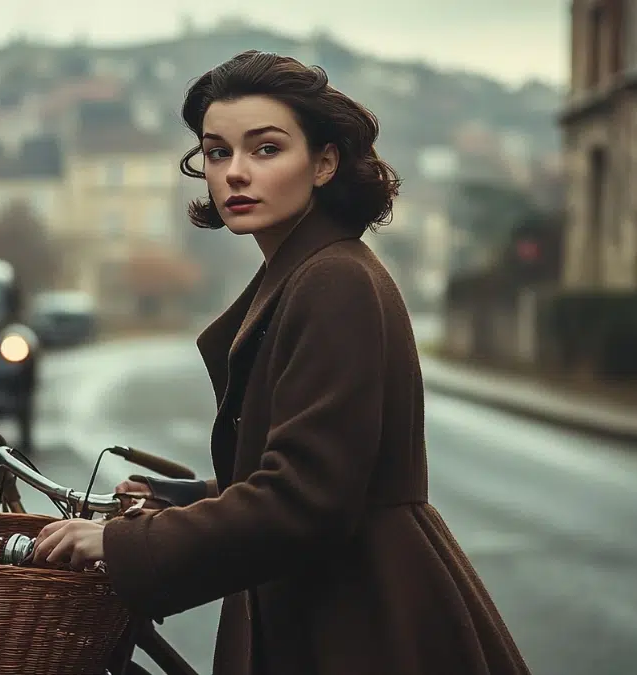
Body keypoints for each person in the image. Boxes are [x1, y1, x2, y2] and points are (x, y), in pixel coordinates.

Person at [33, 50, 532, 675]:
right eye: (218, 152)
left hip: (361, 622)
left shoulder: (335, 281)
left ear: (323, 163)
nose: (236, 173)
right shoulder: (304, 272)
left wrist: (124, 543)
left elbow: (307, 498)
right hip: (330, 605)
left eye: (266, 149)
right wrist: (184, 499)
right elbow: (299, 467)